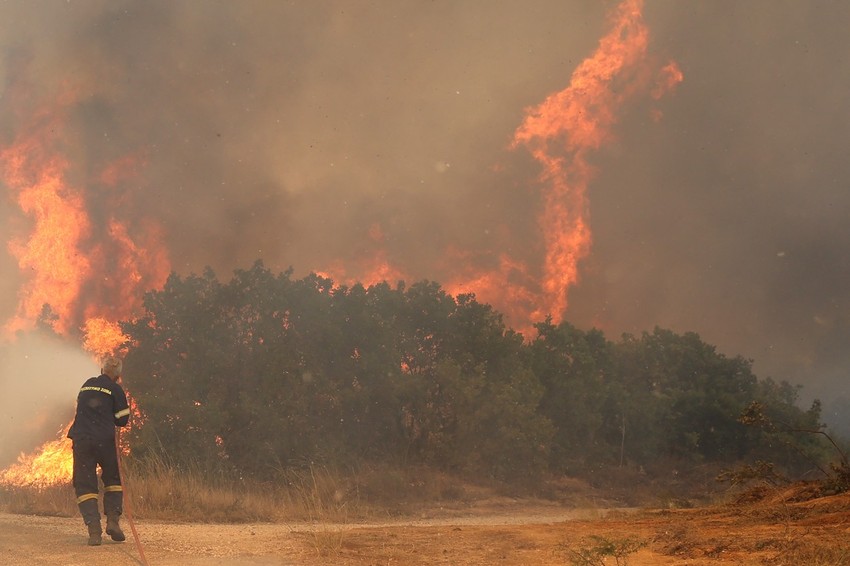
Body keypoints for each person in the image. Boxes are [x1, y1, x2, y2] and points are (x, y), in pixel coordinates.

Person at [67, 355, 131, 546]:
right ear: (118, 376)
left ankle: (94, 531)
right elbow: (122, 419)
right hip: (105, 440)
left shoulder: (87, 384)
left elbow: (82, 406)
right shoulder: (116, 389)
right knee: (113, 480)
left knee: (85, 485)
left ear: (102, 370)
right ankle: (112, 521)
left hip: (82, 439)